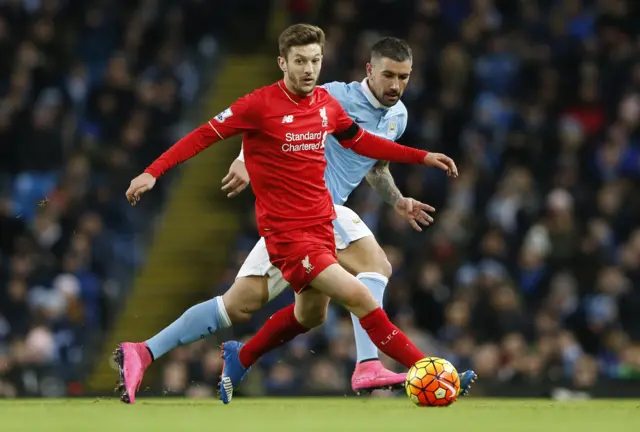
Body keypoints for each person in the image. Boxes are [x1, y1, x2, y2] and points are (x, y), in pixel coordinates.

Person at [117, 24, 464, 405]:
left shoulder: (328, 105)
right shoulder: (275, 102)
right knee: (369, 279)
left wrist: (421, 159)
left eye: (315, 60)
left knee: (265, 308)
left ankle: (164, 352)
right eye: (300, 61)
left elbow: (365, 147)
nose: (309, 69)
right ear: (283, 62)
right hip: (295, 230)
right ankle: (419, 369)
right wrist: (157, 171)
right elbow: (204, 134)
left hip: (317, 221)